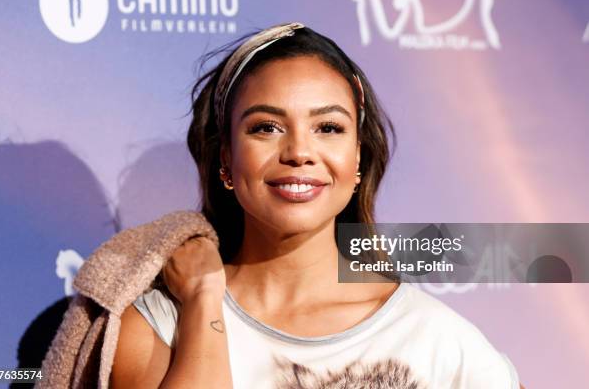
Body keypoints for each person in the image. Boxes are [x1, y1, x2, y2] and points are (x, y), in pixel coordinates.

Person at [111, 22, 524, 388]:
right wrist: (203, 304)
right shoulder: (160, 326)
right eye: (266, 127)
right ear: (225, 160)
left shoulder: (439, 342)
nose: (299, 152)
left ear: (358, 157)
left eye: (328, 127)